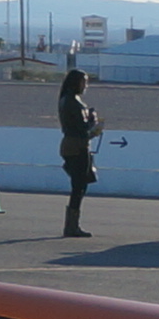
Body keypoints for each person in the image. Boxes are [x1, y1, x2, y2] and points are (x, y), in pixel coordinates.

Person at [57, 66, 99, 238]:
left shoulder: (67, 99)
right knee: (79, 186)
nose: (85, 86)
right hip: (77, 146)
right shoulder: (73, 102)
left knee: (80, 184)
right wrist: (93, 121)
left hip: (72, 145)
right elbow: (82, 128)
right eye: (84, 82)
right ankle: (71, 226)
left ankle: (72, 224)